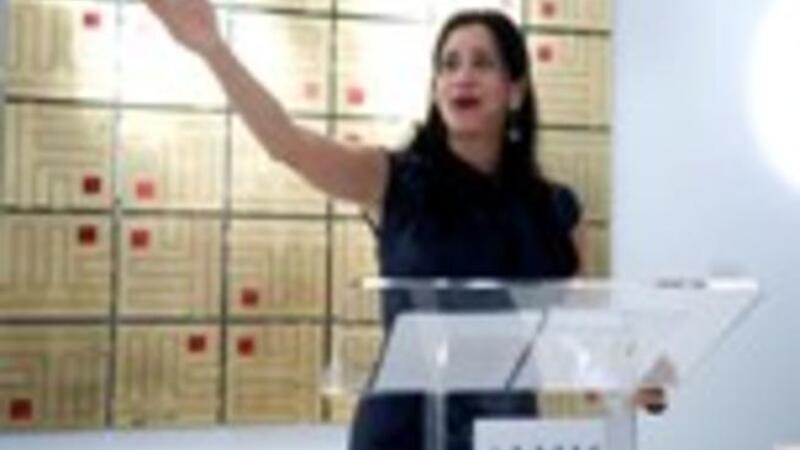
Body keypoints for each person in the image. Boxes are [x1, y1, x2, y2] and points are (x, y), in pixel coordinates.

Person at [142, 2, 664, 448]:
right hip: (402, 431)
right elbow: (288, 144)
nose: (462, 76)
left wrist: (629, 373)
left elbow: (578, 335)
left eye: (482, 63)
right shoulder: (393, 179)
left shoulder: (556, 209)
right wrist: (214, 50)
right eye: (449, 64)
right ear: (436, 88)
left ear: (515, 91)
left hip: (503, 432)